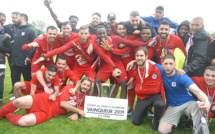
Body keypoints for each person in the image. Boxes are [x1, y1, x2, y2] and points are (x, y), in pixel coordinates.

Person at [128, 54, 210, 133]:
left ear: (175, 64)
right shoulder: (162, 71)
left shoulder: (181, 76)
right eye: (166, 64)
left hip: (188, 103)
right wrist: (134, 61)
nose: (168, 66)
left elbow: (197, 91)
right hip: (173, 106)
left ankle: (200, 129)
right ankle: (179, 119)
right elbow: (148, 61)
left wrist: (207, 102)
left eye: (171, 64)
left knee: (198, 108)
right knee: (163, 130)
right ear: (162, 64)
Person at [33, 26, 122, 96]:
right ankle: (68, 99)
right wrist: (45, 56)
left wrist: (114, 67)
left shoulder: (93, 44)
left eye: (85, 33)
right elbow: (61, 49)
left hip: (89, 68)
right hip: (77, 67)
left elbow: (104, 56)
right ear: (78, 33)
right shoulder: (75, 42)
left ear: (88, 34)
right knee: (71, 83)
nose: (83, 35)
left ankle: (87, 103)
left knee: (91, 85)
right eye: (82, 33)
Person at [0, 77, 92, 126]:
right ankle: (0, 114)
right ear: (80, 84)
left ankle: (7, 114)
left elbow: (82, 108)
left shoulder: (85, 97)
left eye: (88, 86)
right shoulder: (70, 88)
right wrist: (78, 111)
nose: (85, 87)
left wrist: (76, 113)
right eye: (84, 84)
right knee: (18, 101)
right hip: (46, 100)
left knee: (23, 122)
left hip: (49, 113)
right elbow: (63, 103)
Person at [127, 46, 165, 131]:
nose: (139, 58)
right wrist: (132, 78)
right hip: (142, 97)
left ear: (146, 57)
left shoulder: (155, 69)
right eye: (137, 56)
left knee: (160, 104)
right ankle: (144, 110)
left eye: (141, 55)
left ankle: (156, 120)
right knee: (136, 122)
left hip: (155, 96)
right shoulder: (136, 67)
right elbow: (136, 73)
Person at [10, 13, 37, 95]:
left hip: (25, 61)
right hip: (15, 61)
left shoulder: (31, 30)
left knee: (27, 80)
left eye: (16, 17)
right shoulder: (18, 30)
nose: (14, 19)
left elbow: (35, 44)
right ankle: (16, 97)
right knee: (15, 79)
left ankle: (29, 97)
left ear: (22, 18)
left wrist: (29, 56)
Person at [3, 12, 20, 94]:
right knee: (13, 73)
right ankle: (14, 89)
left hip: (21, 54)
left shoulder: (24, 27)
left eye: (15, 17)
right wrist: (4, 34)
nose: (13, 19)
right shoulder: (8, 26)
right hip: (11, 54)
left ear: (19, 18)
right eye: (12, 17)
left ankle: (26, 88)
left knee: (24, 72)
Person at [0, 20, 11, 107]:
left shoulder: (5, 37)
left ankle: (0, 99)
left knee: (0, 82)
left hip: (1, 62)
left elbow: (9, 50)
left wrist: (1, 48)